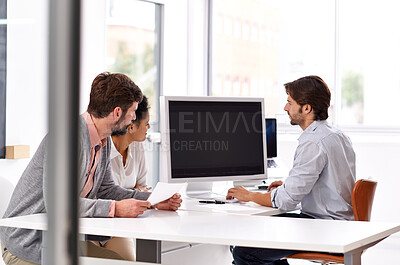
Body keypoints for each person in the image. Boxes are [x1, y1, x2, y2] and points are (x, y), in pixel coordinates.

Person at [0, 72, 182, 265]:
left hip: (60, 242)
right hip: (27, 245)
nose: (134, 118)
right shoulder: (68, 137)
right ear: (117, 112)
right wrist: (115, 208)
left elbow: (107, 189)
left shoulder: (103, 140)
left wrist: (153, 200)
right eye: (133, 112)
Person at [226, 75, 356, 265]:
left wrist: (249, 195)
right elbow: (327, 181)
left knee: (245, 251)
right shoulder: (337, 134)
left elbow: (286, 201)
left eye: (289, 102)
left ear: (306, 108)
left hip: (325, 228)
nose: (285, 108)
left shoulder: (313, 142)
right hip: (336, 223)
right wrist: (288, 185)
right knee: (255, 236)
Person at [96, 95, 152, 261]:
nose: (148, 127)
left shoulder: (137, 147)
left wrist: (138, 194)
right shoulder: (103, 146)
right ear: (131, 126)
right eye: (146, 123)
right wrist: (132, 192)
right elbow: (100, 193)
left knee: (130, 261)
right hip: (97, 222)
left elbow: (143, 186)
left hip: (119, 226)